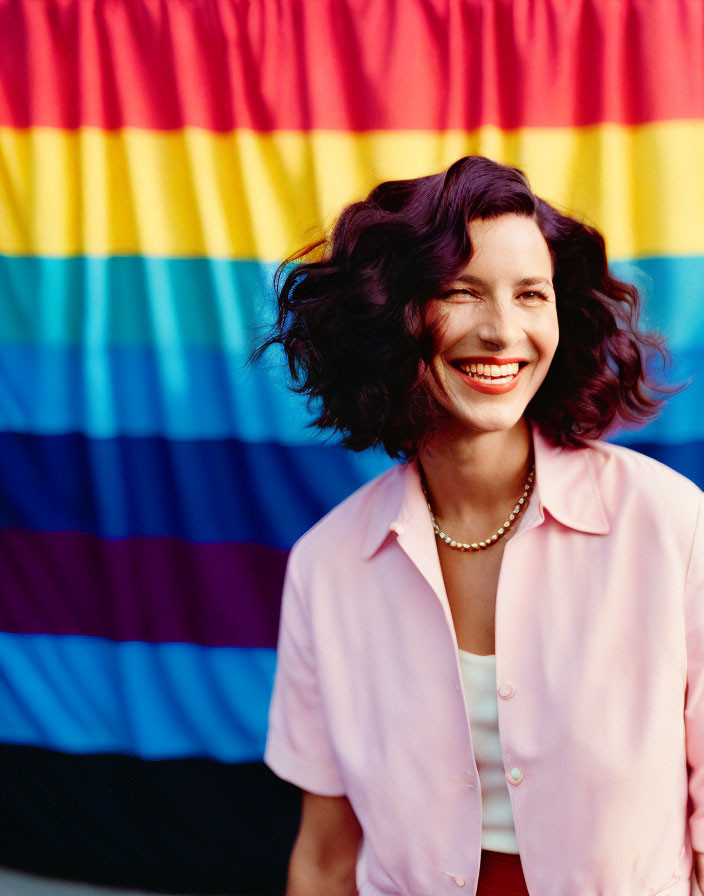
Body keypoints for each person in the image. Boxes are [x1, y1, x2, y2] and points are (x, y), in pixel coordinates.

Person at [251, 155, 704, 896]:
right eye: (460, 293)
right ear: (390, 316)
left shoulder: (671, 525)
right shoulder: (326, 565)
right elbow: (326, 860)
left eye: (532, 294)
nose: (502, 333)